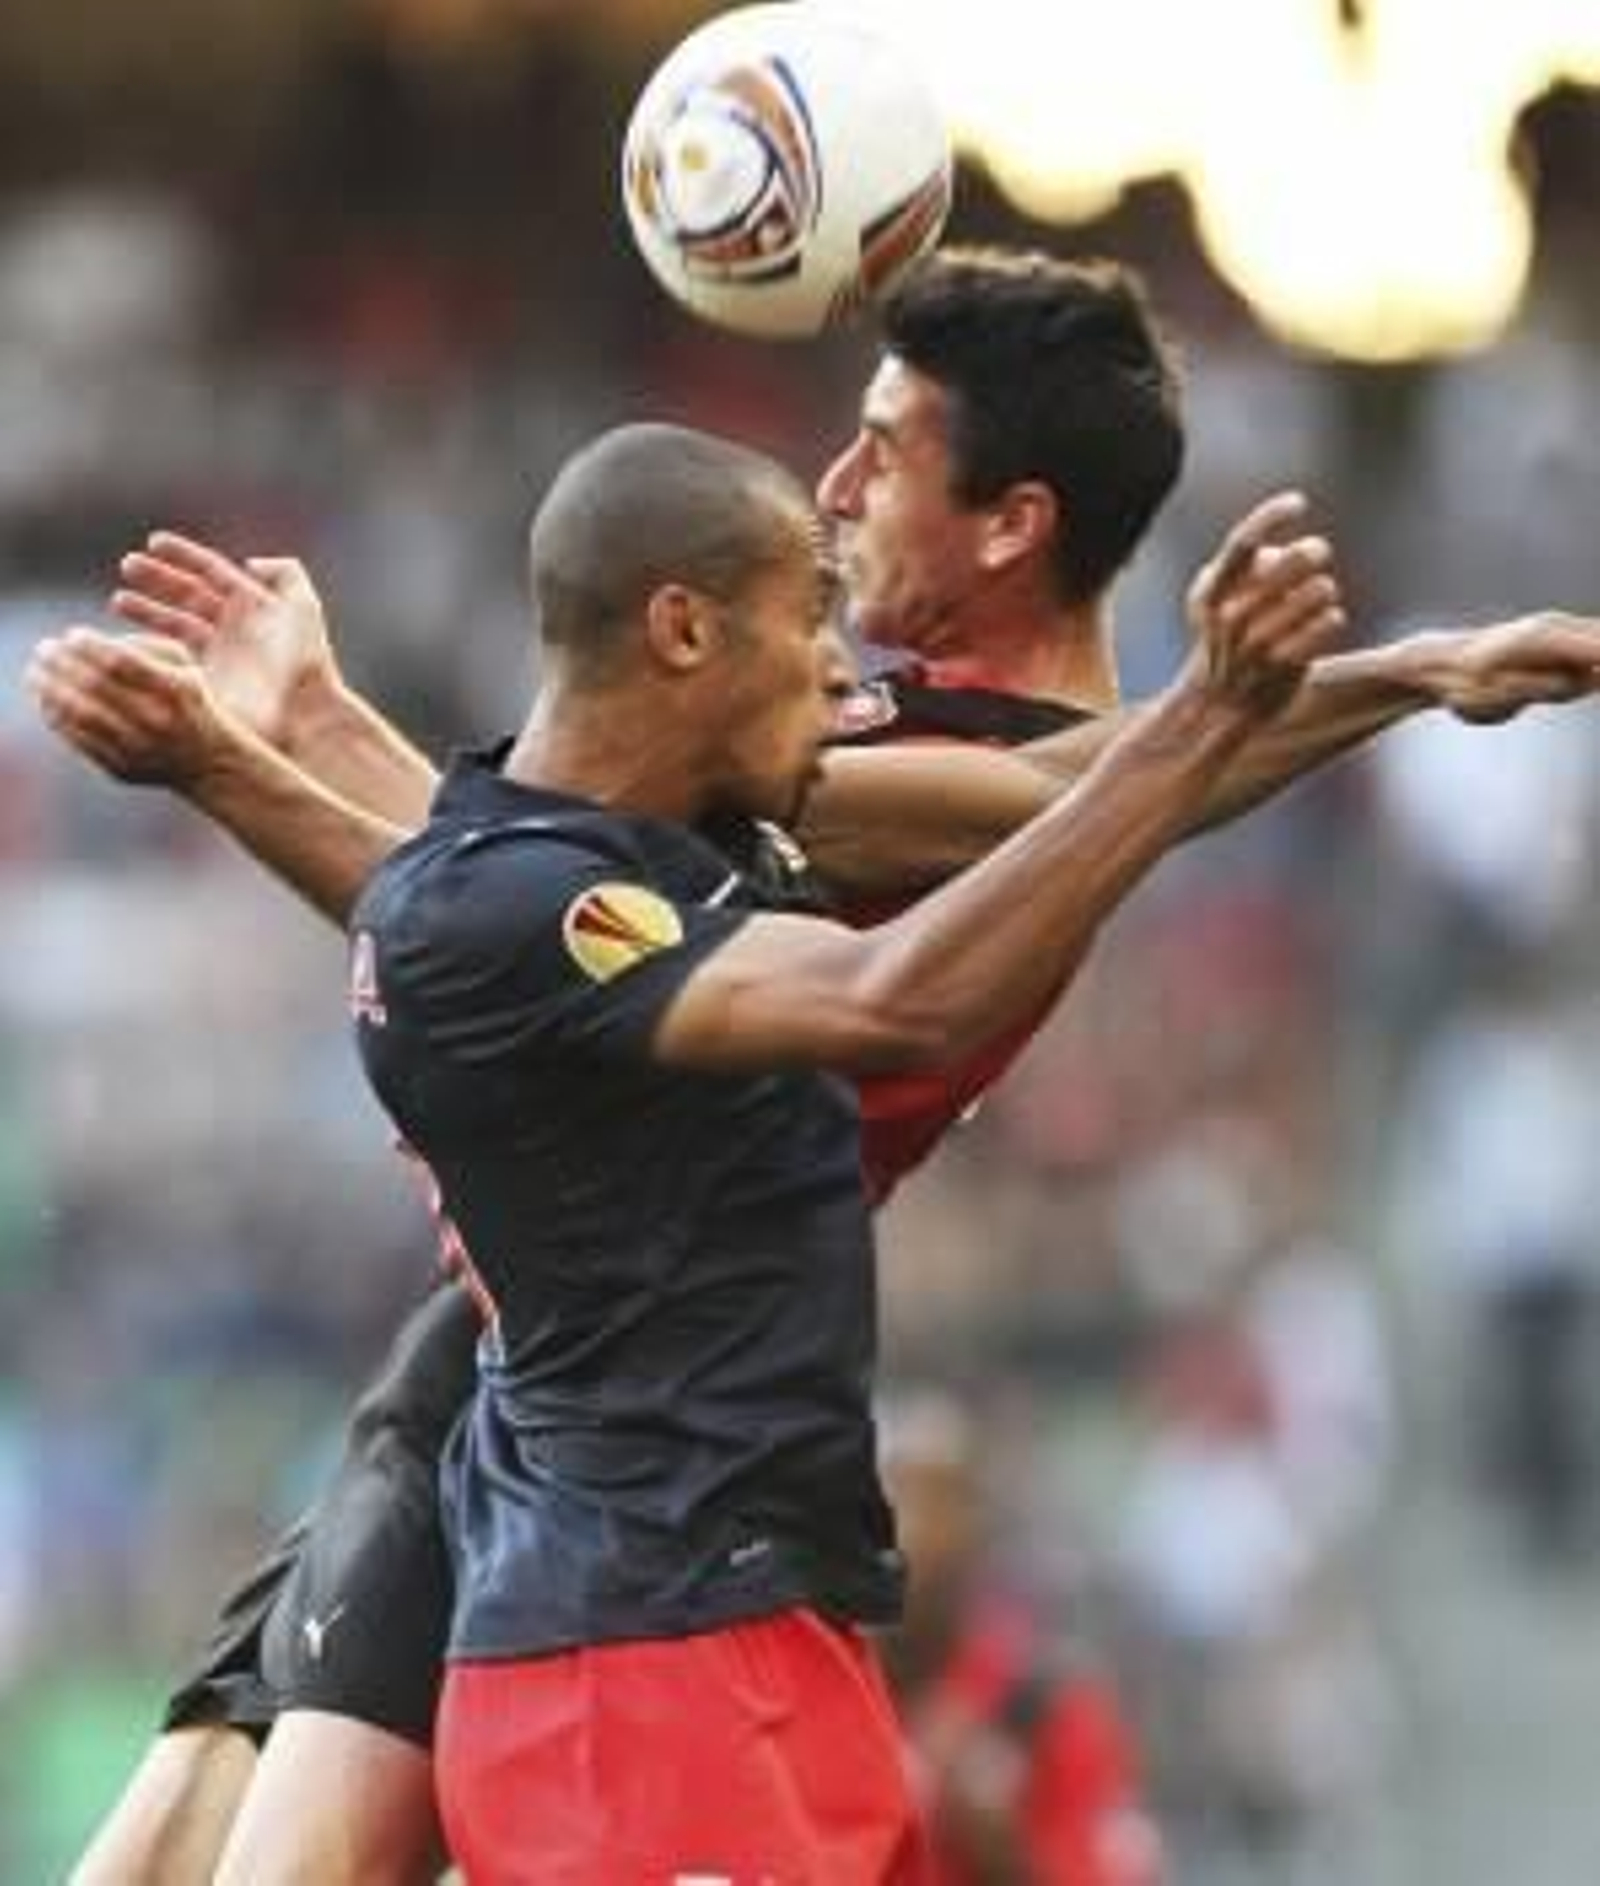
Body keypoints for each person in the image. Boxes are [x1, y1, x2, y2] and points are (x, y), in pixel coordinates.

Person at [32, 247, 1600, 1883]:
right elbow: (492, 906)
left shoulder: (845, 734)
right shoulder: (835, 750)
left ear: (1012, 520)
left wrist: (1399, 679)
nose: (837, 493)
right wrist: (1403, 678)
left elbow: (503, 899)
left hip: (620, 1451)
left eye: (885, 450)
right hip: (566, 1435)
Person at [878, 1389, 1163, 1886]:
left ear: (974, 1527)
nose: (902, 1536)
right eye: (882, 1502)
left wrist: (1004, 1852)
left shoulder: (1044, 1704)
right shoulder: (801, 1706)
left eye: (929, 1504)